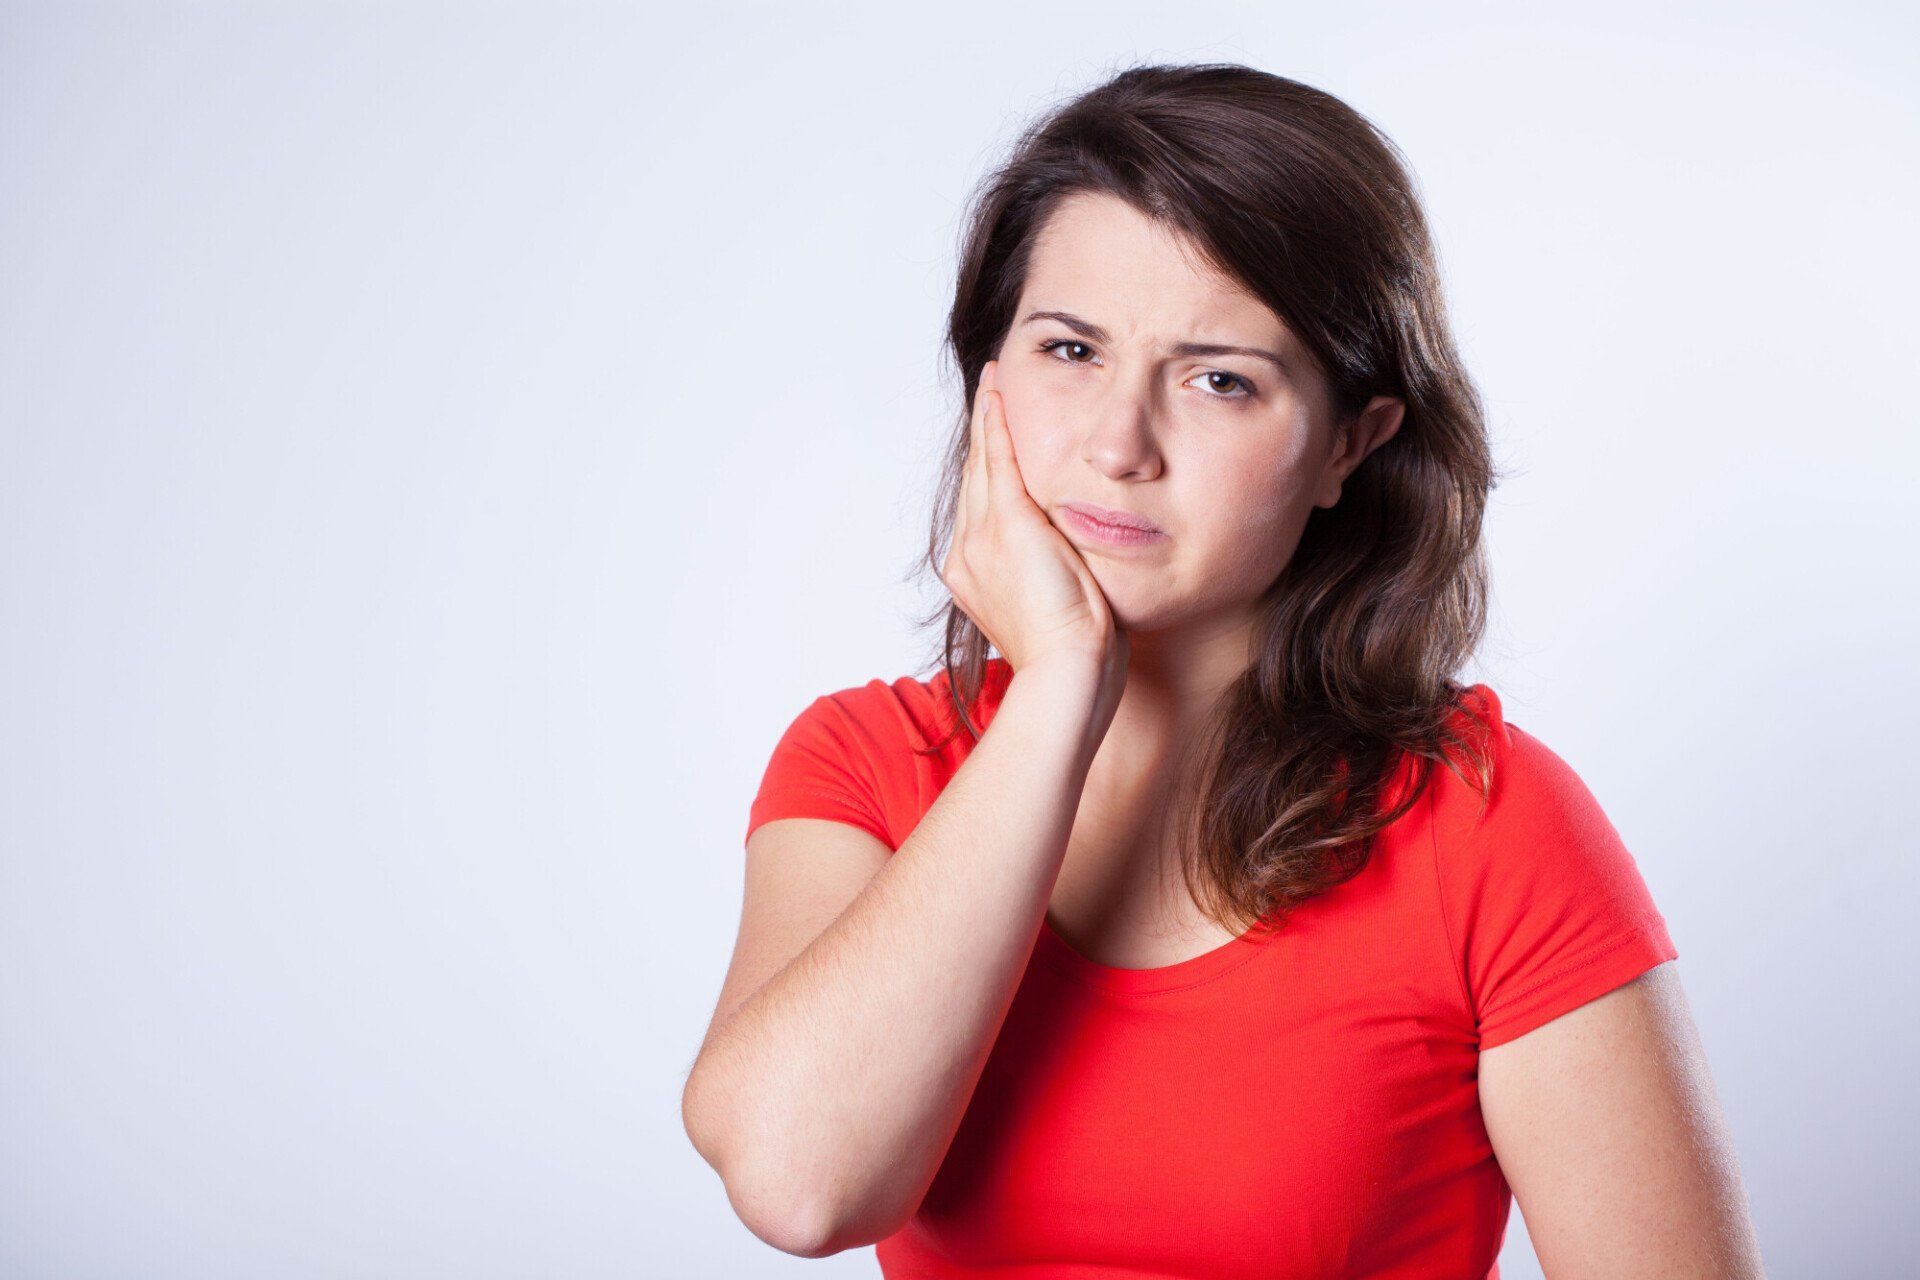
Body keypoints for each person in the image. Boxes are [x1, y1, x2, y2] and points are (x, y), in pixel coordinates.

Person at [682, 62, 1767, 1278]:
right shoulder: (868, 767)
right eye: (1070, 347)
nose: (1116, 444)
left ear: (1347, 445)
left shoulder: (1488, 825)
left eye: (1219, 379)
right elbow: (798, 1184)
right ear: (989, 381)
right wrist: (1055, 690)